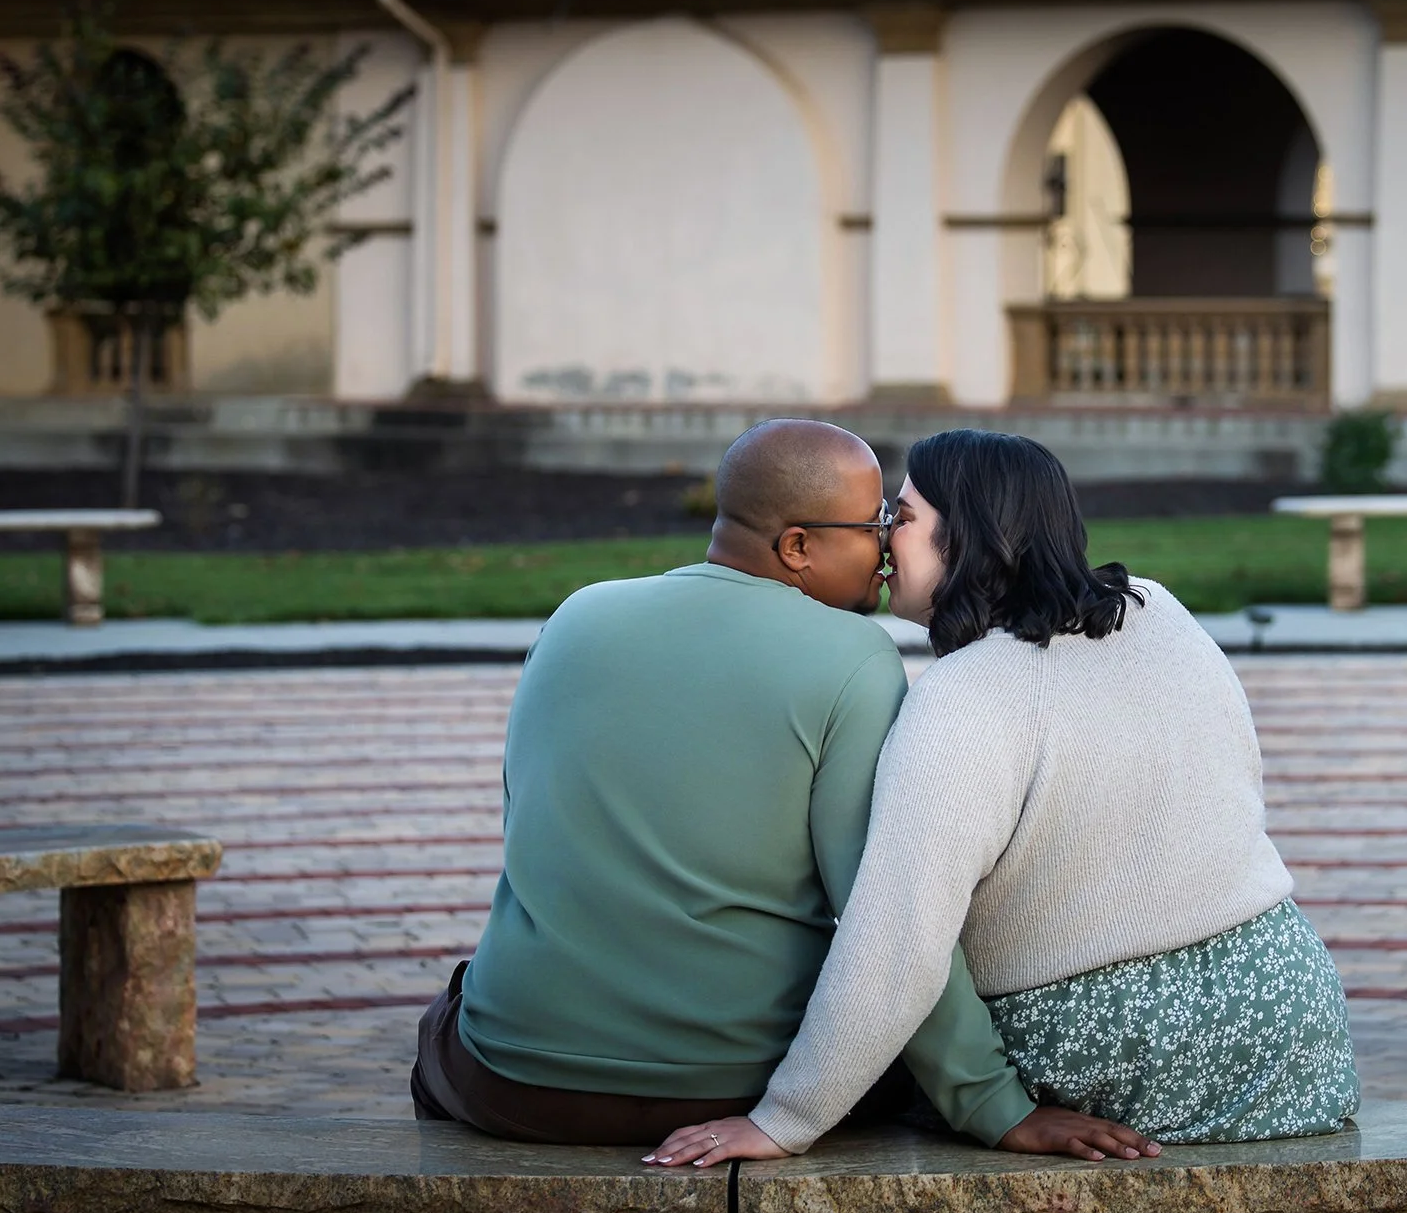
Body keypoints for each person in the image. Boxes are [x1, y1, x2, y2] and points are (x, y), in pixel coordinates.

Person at [411, 418, 1151, 1161]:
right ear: (797, 546)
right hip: (736, 1085)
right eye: (874, 525)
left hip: (513, 1081)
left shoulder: (577, 616)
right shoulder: (854, 658)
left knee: (450, 1010)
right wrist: (993, 1104)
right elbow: (882, 905)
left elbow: (528, 827)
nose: (886, 549)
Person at [650, 428, 1360, 1168]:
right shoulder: (1157, 612)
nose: (884, 540)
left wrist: (785, 1119)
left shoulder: (963, 698)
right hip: (1294, 1018)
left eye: (903, 516)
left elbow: (898, 943)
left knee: (885, 1064)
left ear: (968, 535)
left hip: (1120, 1044)